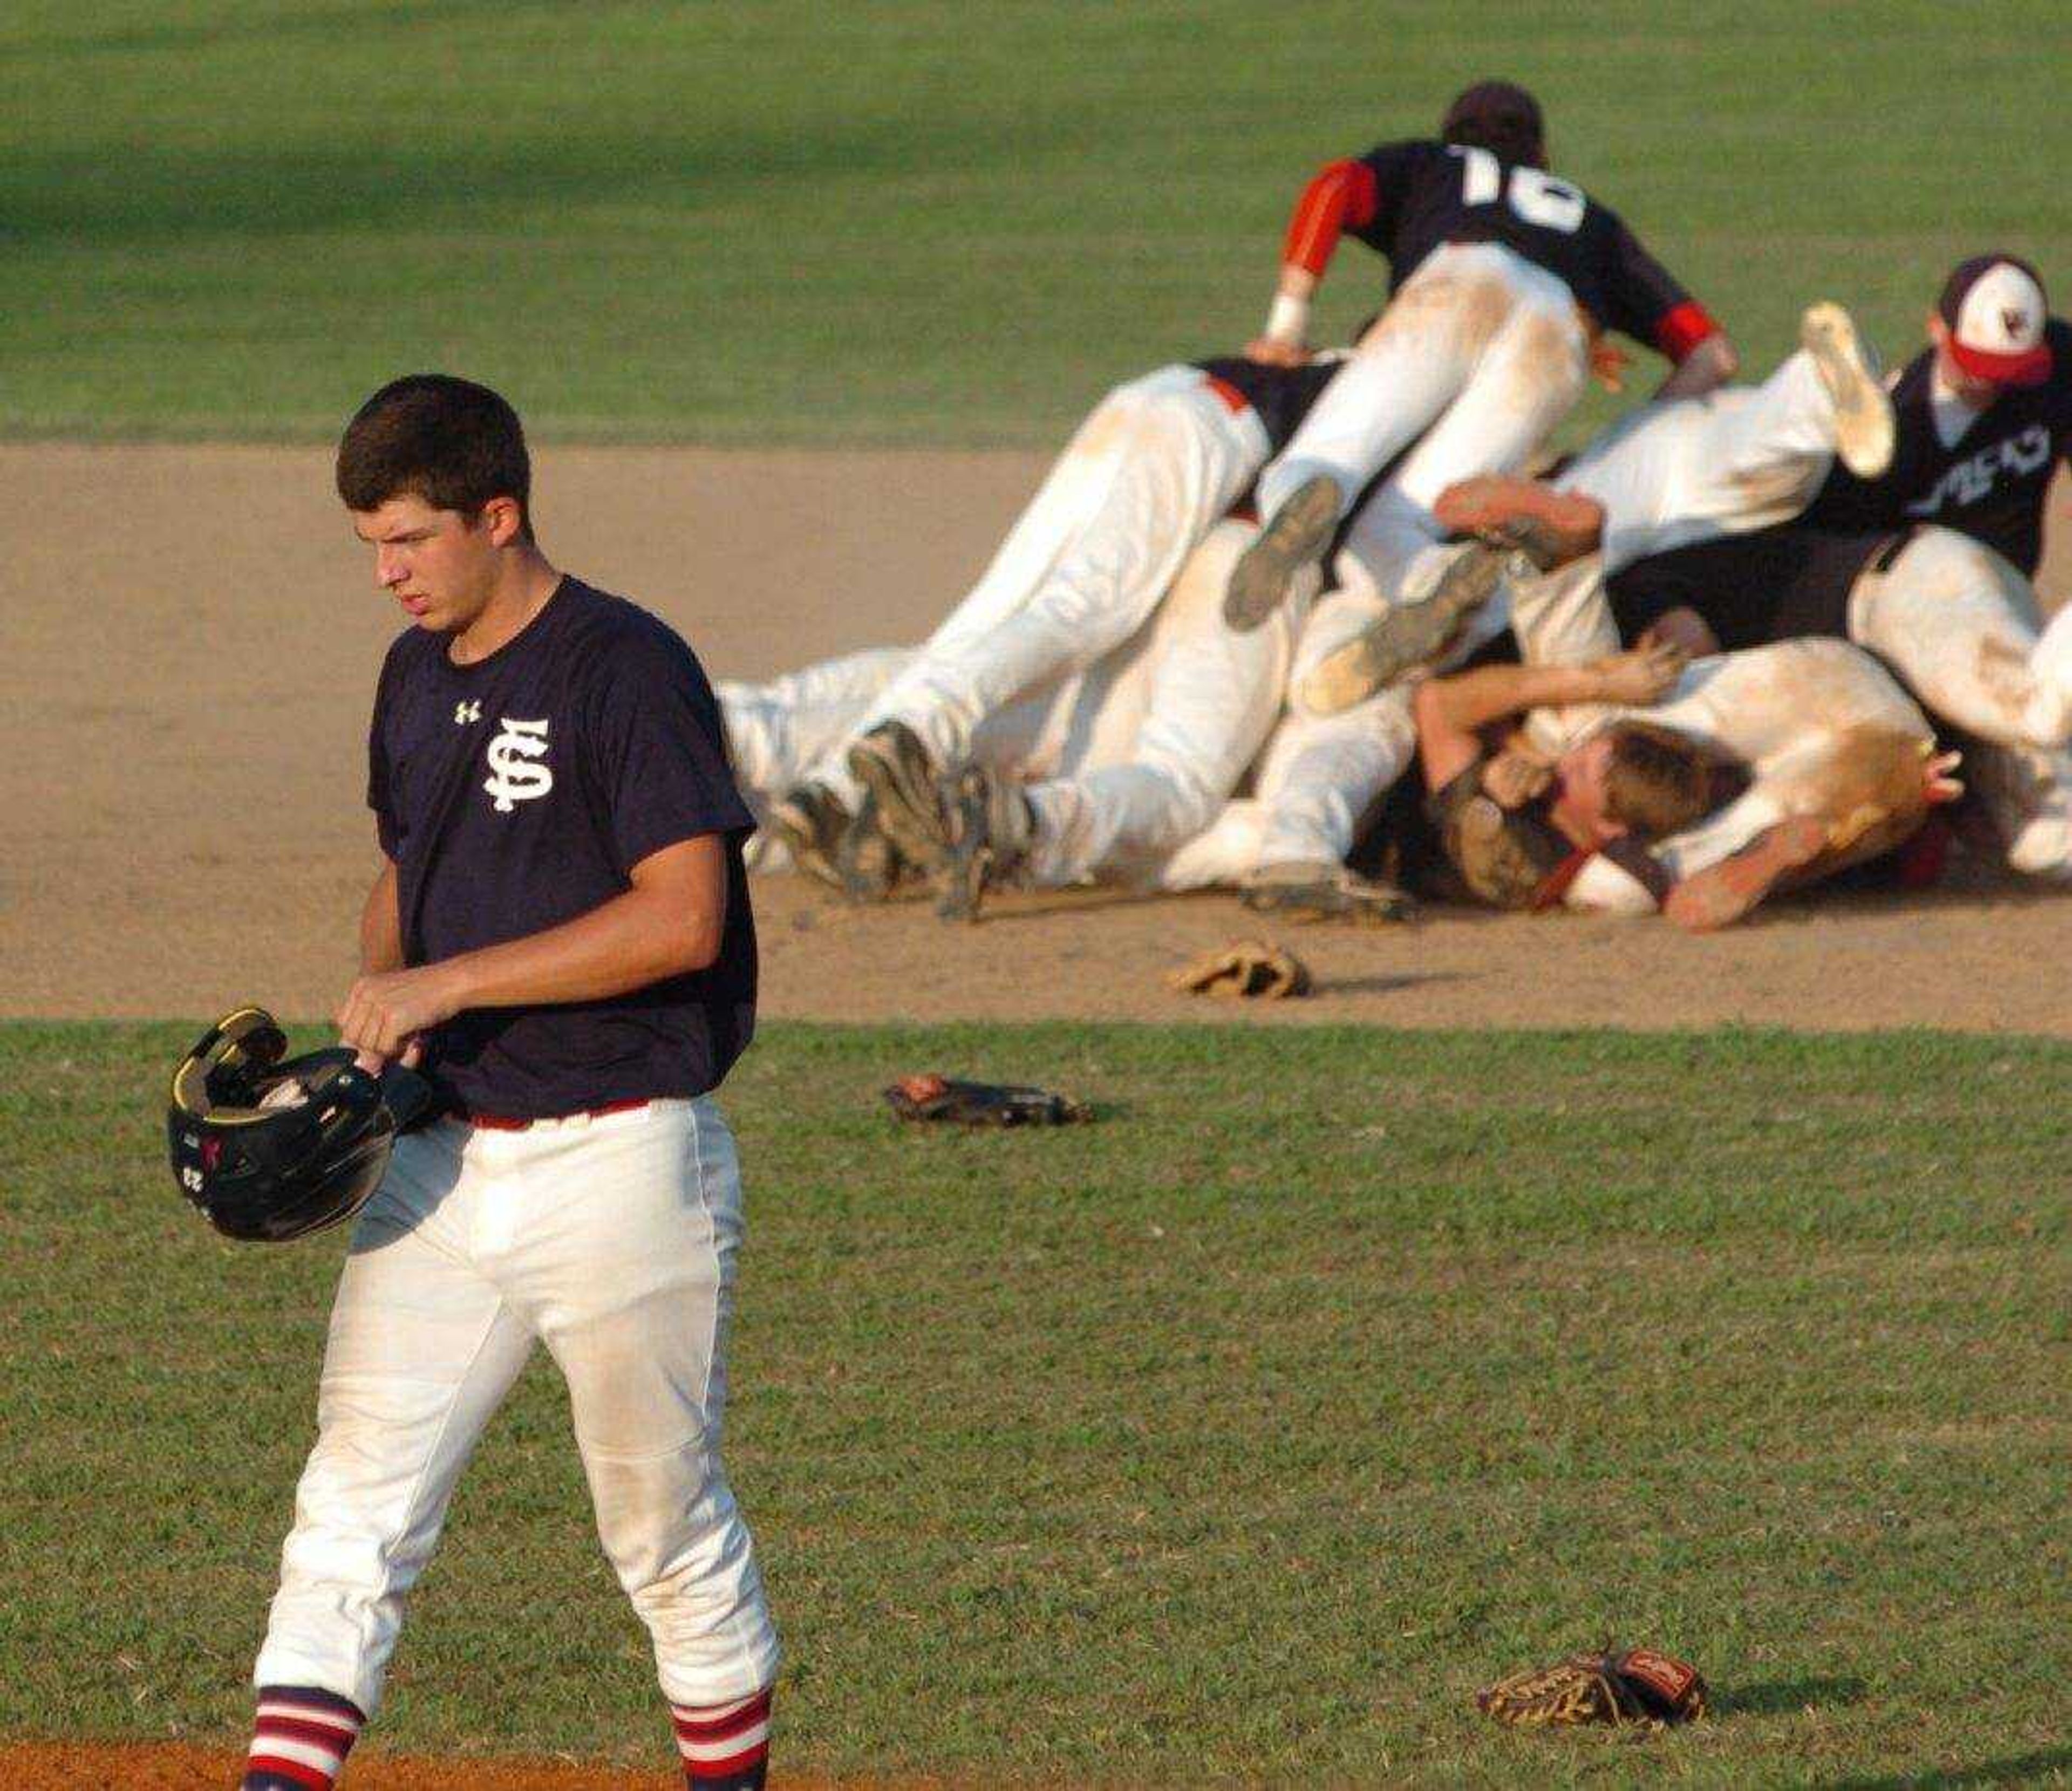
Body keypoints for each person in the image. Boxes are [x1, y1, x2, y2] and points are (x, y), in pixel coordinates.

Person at [241, 377, 779, 1791]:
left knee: (659, 1531)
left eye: (409, 541)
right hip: (441, 1162)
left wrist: (454, 984)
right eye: (368, 545)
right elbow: (405, 888)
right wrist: (363, 1034)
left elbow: (685, 919)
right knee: (348, 1518)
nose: (387, 575)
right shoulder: (413, 677)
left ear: (499, 515)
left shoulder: (624, 669)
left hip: (621, 1164)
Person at [768, 352, 1344, 891]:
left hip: (1151, 402)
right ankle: (917, 734)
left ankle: (834, 789)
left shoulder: (1330, 374)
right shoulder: (1371, 400)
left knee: (984, 622)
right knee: (1078, 612)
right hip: (1213, 431)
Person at [1224, 78, 1736, 632]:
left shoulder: (1431, 163)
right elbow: (1713, 356)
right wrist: (1618, 450)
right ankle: (1436, 599)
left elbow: (1334, 185)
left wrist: (1285, 329)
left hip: (1462, 284)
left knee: (1325, 460)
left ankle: (1300, 506)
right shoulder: (1595, 222)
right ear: (1541, 156)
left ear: (1453, 138)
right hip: (1563, 335)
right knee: (1402, 526)